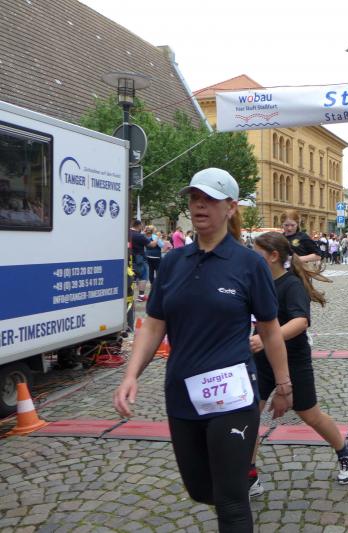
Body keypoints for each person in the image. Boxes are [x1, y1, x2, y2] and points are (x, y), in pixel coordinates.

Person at [113, 168, 292, 532]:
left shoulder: (249, 264)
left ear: (230, 207)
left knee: (231, 498)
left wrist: (284, 384)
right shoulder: (174, 262)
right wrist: (131, 374)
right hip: (182, 392)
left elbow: (270, 330)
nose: (199, 205)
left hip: (232, 395)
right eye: (195, 198)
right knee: (200, 489)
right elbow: (155, 323)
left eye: (210, 199)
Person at [247, 232, 348, 497]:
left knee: (310, 415)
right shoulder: (257, 282)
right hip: (261, 362)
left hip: (294, 359)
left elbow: (300, 322)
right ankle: (249, 474)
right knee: (248, 417)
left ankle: (345, 451)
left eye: (256, 252)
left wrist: (266, 338)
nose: (251, 256)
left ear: (273, 256)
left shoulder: (292, 285)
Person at [129, 220, 154, 302]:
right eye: (142, 226)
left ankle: (129, 295)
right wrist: (157, 237)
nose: (142, 227)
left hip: (129, 259)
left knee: (131, 277)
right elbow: (151, 245)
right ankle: (141, 296)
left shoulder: (127, 233)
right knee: (143, 277)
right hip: (139, 259)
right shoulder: (139, 236)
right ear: (139, 225)